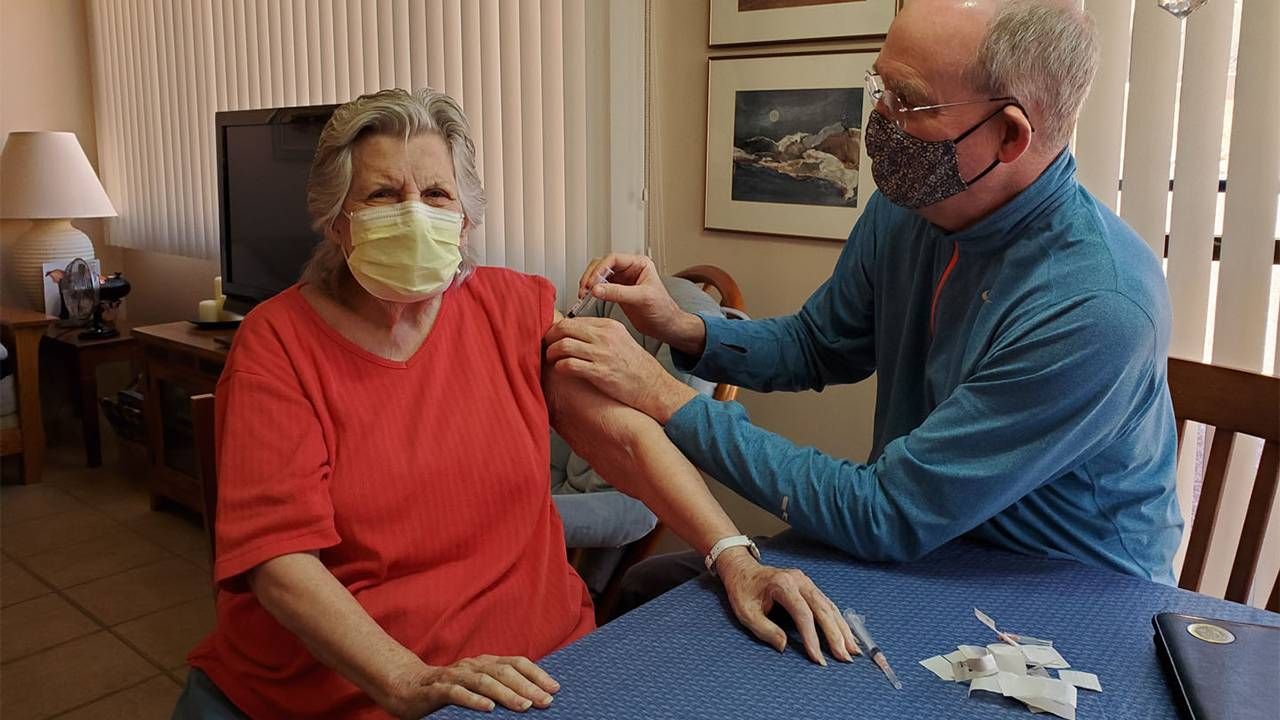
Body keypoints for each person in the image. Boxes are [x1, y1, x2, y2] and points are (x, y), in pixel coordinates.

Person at [175, 88, 855, 720]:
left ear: (465, 219)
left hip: (546, 665)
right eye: (384, 194)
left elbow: (621, 437)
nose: (415, 211)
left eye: (436, 192)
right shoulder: (277, 345)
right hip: (362, 687)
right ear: (336, 222)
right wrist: (407, 679)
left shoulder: (510, 308)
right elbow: (280, 563)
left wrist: (733, 554)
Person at [545, 0, 1183, 611]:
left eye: (906, 100)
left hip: (1065, 593)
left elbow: (887, 513)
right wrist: (683, 329)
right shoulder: (913, 205)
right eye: (879, 86)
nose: (875, 117)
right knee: (653, 590)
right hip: (922, 552)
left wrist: (665, 397)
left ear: (1010, 135)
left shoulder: (1096, 307)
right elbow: (820, 344)